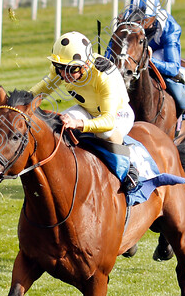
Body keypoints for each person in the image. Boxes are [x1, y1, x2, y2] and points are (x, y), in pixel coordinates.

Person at [31, 31, 137, 190]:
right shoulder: (64, 67)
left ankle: (130, 166)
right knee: (59, 124)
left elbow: (108, 122)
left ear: (85, 65)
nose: (63, 74)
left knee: (104, 133)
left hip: (118, 114)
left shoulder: (103, 76)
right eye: (59, 67)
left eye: (70, 69)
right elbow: (43, 88)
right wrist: (20, 102)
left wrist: (78, 123)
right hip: (88, 110)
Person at [119, 0, 185, 119]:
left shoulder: (169, 27)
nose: (140, 23)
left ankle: (183, 109)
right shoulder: (126, 20)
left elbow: (173, 68)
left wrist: (149, 60)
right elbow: (112, 51)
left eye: (145, 19)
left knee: (158, 57)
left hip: (158, 52)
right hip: (137, 50)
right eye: (136, 18)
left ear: (154, 17)